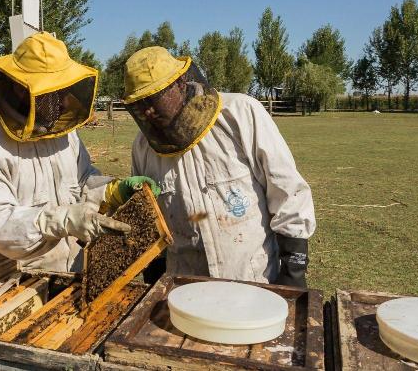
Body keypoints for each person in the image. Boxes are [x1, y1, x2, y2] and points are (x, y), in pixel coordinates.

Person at [121, 46, 316, 287]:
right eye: (140, 103)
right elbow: (150, 219)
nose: (148, 111)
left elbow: (287, 190)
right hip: (185, 287)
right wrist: (154, 275)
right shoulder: (143, 147)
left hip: (253, 282)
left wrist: (293, 269)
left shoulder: (241, 113)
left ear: (180, 83)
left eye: (153, 98)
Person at [0, 32, 156, 272]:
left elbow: (82, 180)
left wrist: (111, 191)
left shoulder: (62, 131)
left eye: (66, 91)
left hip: (75, 266)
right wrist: (59, 220)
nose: (65, 102)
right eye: (55, 94)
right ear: (23, 90)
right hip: (21, 274)